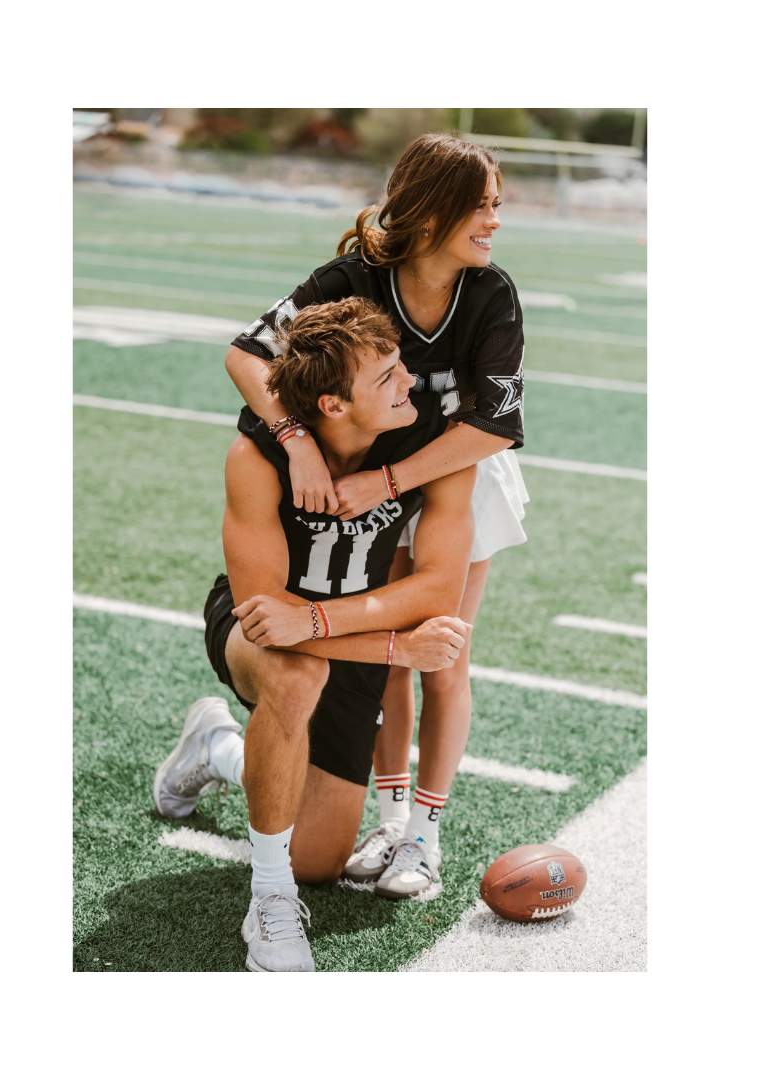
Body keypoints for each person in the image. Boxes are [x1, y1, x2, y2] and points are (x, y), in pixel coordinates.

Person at [223, 134, 528, 896]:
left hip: (451, 468)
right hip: (365, 459)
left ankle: (425, 832)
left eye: (497, 203)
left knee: (442, 651)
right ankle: (390, 817)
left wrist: (389, 482)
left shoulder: (491, 292)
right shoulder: (354, 277)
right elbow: (247, 354)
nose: (495, 219)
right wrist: (295, 440)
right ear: (432, 213)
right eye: (482, 204)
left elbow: (493, 425)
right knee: (386, 643)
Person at [153, 297, 476, 972]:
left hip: (341, 633)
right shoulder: (256, 456)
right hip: (259, 632)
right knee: (295, 676)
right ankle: (268, 903)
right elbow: (268, 619)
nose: (409, 382)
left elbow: (437, 588)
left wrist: (325, 621)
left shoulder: (430, 445)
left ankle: (218, 748)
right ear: (332, 405)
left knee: (321, 862)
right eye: (385, 377)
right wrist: (395, 649)